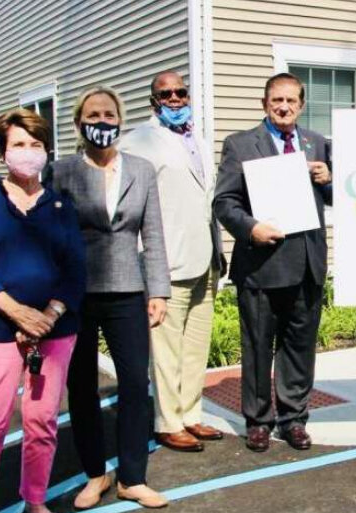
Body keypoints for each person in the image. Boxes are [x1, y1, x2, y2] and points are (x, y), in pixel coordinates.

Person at [0, 109, 86, 513]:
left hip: (53, 332)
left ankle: (35, 501)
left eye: (36, 144)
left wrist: (48, 316)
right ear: (2, 151)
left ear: (47, 151)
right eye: (19, 144)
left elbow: (75, 269)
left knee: (41, 422)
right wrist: (18, 314)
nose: (28, 152)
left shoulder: (60, 205)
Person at [46, 87, 171, 508]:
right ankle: (95, 474)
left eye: (108, 114)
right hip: (76, 293)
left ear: (120, 119)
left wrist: (159, 291)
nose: (101, 121)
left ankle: (132, 477)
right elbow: (50, 237)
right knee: (81, 386)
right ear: (80, 123)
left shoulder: (141, 168)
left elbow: (152, 234)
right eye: (93, 114)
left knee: (136, 382)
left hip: (128, 290)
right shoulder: (61, 172)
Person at [213, 72, 332, 452]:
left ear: (301, 104)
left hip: (307, 265)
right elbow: (224, 203)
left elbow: (334, 197)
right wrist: (250, 228)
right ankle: (259, 420)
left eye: (291, 101)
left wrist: (329, 179)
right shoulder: (240, 144)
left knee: (300, 348)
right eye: (276, 100)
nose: (284, 107)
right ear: (264, 103)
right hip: (262, 265)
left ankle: (294, 419)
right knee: (258, 347)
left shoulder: (317, 143)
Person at [119, 71, 227, 453]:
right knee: (166, 350)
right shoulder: (138, 141)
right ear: (154, 101)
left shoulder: (196, 136)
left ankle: (191, 414)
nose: (176, 99)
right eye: (166, 94)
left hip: (205, 259)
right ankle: (167, 422)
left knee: (196, 347)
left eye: (181, 92)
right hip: (166, 263)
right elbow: (127, 202)